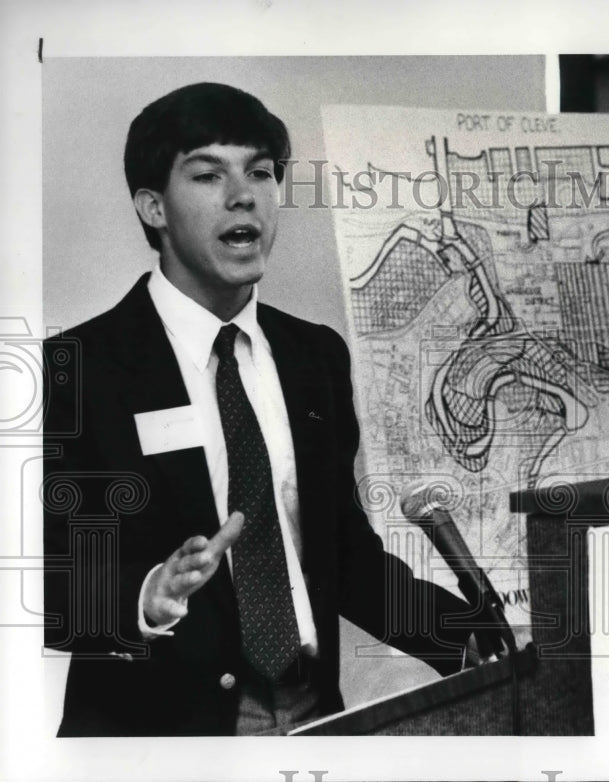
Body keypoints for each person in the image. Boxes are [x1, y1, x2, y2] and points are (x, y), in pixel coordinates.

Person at [42, 82, 480, 736]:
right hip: (161, 739)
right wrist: (146, 594)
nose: (243, 194)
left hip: (311, 722)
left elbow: (343, 556)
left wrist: (470, 640)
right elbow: (42, 585)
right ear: (154, 207)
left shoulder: (313, 357)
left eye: (262, 172)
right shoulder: (78, 368)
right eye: (208, 174)